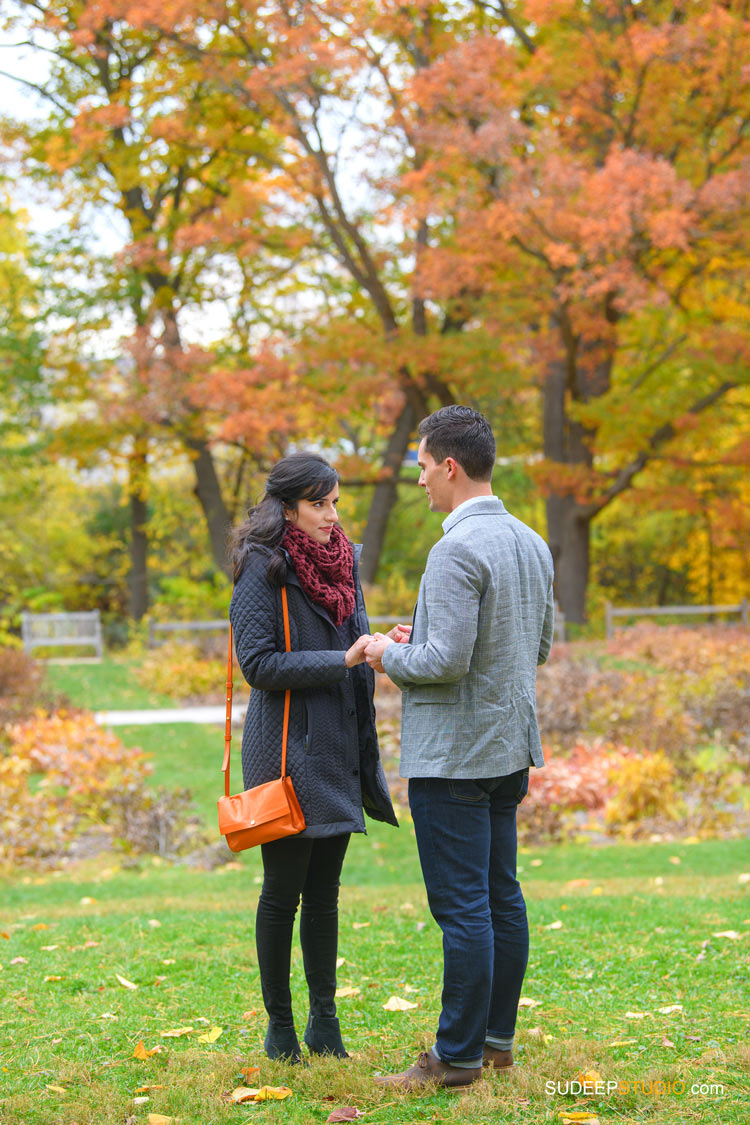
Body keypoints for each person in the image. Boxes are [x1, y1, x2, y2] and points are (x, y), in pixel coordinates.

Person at [365, 405, 554, 1091]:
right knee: (501, 893)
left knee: (464, 907)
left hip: (453, 758)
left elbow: (443, 662)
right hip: (509, 750)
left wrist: (388, 651)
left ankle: (455, 1055)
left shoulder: (454, 549)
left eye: (420, 466)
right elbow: (537, 646)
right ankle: (497, 1042)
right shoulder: (531, 542)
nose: (418, 481)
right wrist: (425, 636)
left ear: (449, 465)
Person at [229, 452, 399, 1065]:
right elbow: (259, 665)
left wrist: (380, 645)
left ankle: (324, 1023)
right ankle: (280, 1027)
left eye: (334, 502)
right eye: (319, 504)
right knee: (283, 892)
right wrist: (343, 661)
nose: (332, 514)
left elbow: (353, 633)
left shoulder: (344, 562)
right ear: (289, 508)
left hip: (339, 747)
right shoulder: (262, 569)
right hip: (286, 755)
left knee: (325, 893)